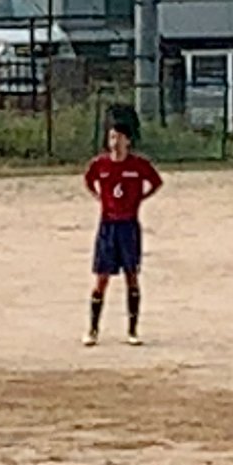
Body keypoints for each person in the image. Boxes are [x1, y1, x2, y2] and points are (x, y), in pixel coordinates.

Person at [83, 117, 162, 346]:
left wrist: (140, 199)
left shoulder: (138, 165)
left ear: (128, 140)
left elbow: (156, 182)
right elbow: (89, 181)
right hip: (108, 226)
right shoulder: (100, 165)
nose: (115, 142)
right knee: (101, 278)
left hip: (129, 226)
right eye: (111, 137)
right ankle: (93, 329)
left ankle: (132, 330)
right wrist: (100, 198)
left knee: (132, 276)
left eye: (119, 137)